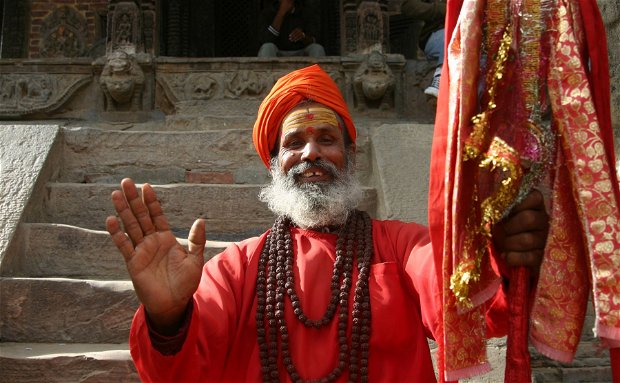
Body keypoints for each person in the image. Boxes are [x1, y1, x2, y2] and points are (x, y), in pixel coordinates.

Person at [106, 64, 549, 382]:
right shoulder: (237, 266)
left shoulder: (401, 246)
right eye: (294, 143)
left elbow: (459, 299)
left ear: (350, 157)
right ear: (275, 164)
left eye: (327, 139)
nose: (311, 154)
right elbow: (182, 367)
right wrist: (167, 318)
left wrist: (498, 256)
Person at [400, 0, 446, 97]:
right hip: (440, 35)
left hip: (472, 38)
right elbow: (409, 6)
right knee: (450, 36)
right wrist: (444, 9)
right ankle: (439, 77)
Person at [257, 0, 326, 57]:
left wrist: (303, 36)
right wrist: (281, 12)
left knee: (317, 48)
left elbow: (314, 40)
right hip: (277, 53)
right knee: (267, 47)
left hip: (301, 53)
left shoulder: (305, 11)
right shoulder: (268, 13)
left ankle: (315, 74)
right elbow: (266, 40)